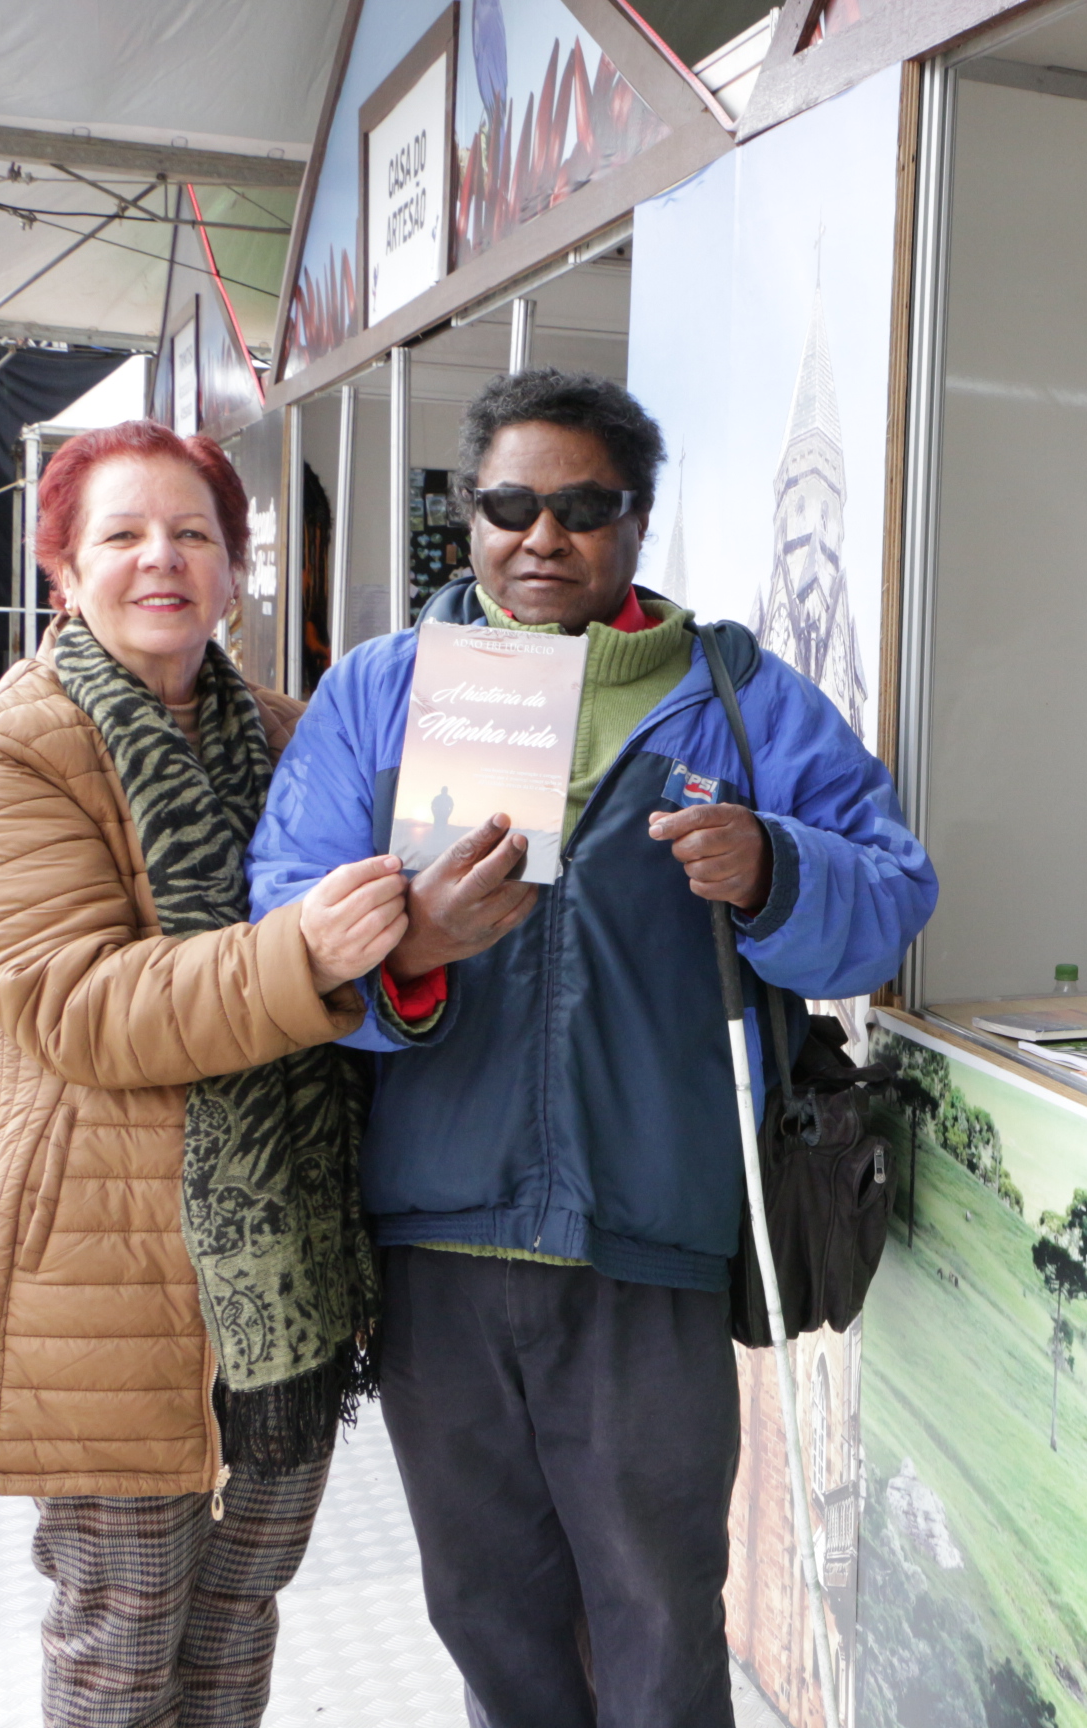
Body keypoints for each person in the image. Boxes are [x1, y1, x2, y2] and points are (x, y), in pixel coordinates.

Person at [249, 368, 937, 1727]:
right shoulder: (383, 692)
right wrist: (407, 947)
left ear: (637, 520)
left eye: (583, 507)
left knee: (658, 1617)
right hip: (438, 1236)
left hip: (649, 1236)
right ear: (470, 513)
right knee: (487, 1615)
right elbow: (285, 922)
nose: (542, 537)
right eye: (510, 506)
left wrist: (776, 870)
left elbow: (892, 898)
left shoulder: (739, 699)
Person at [0, 420, 410, 1722]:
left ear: (236, 566)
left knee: (237, 1624)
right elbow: (78, 1008)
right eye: (121, 534)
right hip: (113, 1280)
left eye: (193, 533)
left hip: (285, 1283)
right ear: (62, 567)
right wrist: (307, 954)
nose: (161, 560)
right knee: (122, 1646)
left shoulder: (293, 736)